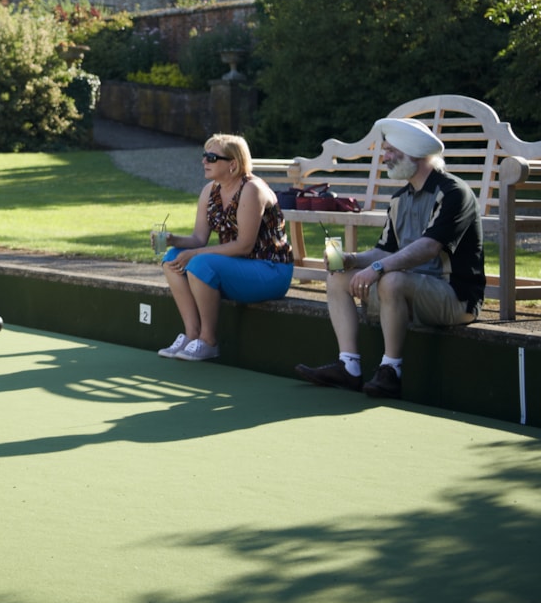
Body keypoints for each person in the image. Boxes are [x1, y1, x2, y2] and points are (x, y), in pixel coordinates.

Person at [294, 116, 484, 400]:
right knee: (337, 276)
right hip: (406, 292)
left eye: (392, 151)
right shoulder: (399, 198)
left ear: (416, 154)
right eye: (386, 151)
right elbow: (386, 249)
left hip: (455, 298)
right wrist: (350, 258)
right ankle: (349, 367)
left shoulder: (453, 192)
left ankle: (390, 372)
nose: (385, 157)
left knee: (391, 280)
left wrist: (378, 268)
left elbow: (429, 247)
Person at [157, 132, 294, 361]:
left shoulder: (252, 189)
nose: (204, 161)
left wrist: (195, 253)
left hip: (270, 270)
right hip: (238, 267)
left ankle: (208, 340)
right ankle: (192, 335)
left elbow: (243, 245)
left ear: (233, 164)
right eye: (204, 156)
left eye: (211, 157)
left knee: (199, 263)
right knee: (172, 258)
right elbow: (199, 238)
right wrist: (174, 240)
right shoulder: (210, 191)